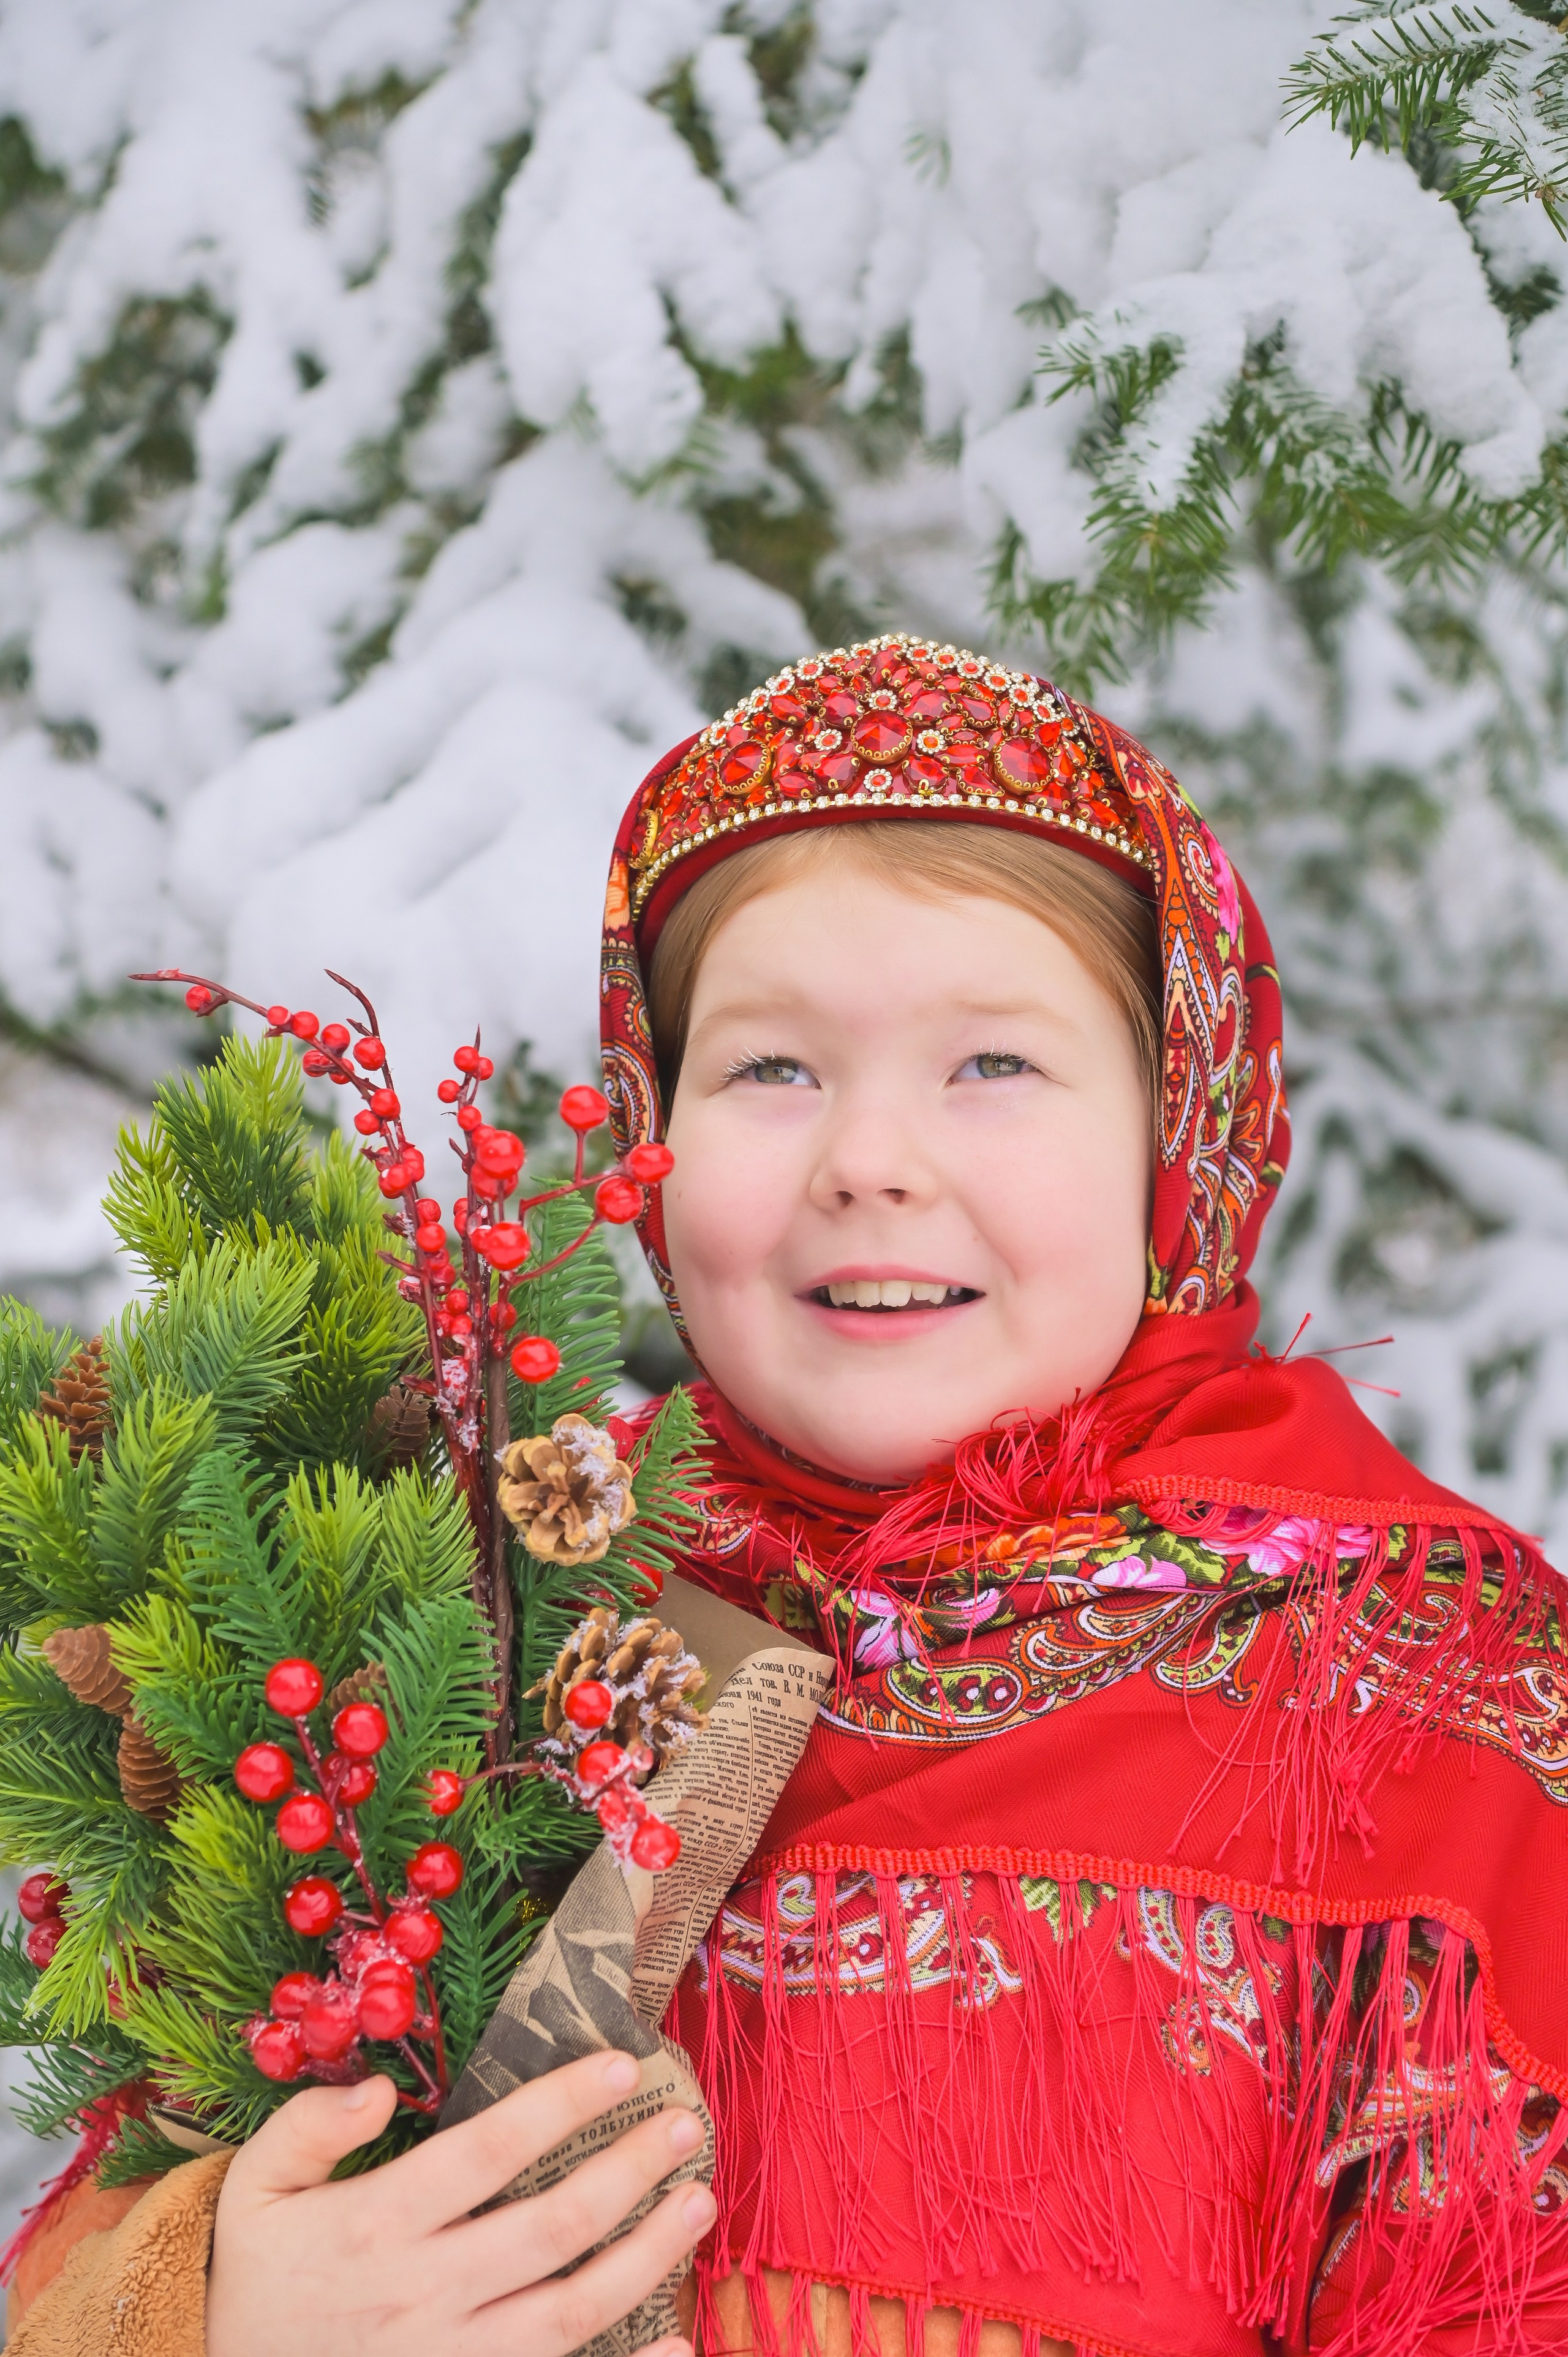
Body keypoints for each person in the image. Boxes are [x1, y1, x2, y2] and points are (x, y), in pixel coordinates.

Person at [10, 635, 1568, 2357]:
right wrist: (222, 2318)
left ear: (1178, 1132)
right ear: (648, 1125)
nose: (867, 1161)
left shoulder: (1426, 1719)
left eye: (994, 1065)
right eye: (770, 1070)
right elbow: (93, 2255)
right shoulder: (474, 1656)